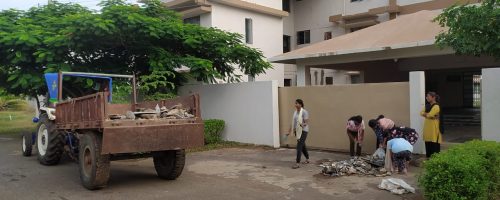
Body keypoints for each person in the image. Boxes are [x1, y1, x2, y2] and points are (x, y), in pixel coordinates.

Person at [287, 99, 310, 169]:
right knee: (302, 145)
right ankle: (307, 159)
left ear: (300, 104)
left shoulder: (304, 112)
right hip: (297, 131)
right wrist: (289, 131)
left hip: (303, 131)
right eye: (295, 103)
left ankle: (297, 163)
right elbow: (293, 123)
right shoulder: (295, 112)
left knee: (299, 146)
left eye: (297, 103)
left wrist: (303, 124)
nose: (295, 105)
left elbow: (306, 121)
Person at [420, 92, 442, 158]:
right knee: (427, 142)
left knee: (433, 142)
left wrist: (426, 114)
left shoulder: (436, 106)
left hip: (434, 127)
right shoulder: (427, 105)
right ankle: (428, 157)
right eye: (426, 96)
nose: (427, 98)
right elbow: (421, 113)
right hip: (427, 127)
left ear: (433, 97)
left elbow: (430, 115)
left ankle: (434, 158)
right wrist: (428, 115)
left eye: (428, 96)